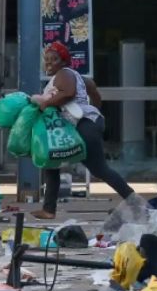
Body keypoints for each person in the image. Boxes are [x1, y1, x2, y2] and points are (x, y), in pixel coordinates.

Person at [29, 42, 135, 219]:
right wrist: (91, 110)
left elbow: (68, 93)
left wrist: (45, 104)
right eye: (46, 60)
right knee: (51, 162)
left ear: (63, 61)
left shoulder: (64, 74)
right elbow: (96, 96)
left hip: (84, 125)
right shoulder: (78, 77)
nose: (48, 63)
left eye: (53, 59)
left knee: (100, 169)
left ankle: (135, 203)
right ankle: (48, 209)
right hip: (86, 123)